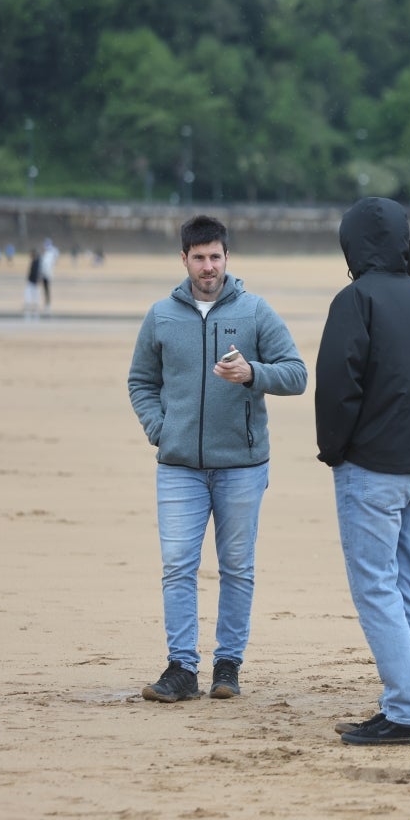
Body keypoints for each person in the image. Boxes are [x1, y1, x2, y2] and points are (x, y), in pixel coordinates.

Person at [128, 215, 307, 703]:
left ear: (227, 257)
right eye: (199, 257)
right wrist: (160, 430)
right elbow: (141, 382)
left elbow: (296, 374)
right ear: (183, 259)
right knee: (177, 566)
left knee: (237, 567)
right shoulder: (161, 315)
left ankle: (227, 667)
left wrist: (253, 373)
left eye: (216, 256)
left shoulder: (254, 312)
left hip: (243, 467)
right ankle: (182, 668)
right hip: (179, 466)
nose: (208, 266)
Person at [316, 197, 410, 746]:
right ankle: (403, 699)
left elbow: (338, 384)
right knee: (402, 581)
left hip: (370, 467)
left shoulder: (355, 300)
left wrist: (335, 449)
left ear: (351, 246)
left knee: (374, 585)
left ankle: (405, 710)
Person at [38, 238, 58, 315]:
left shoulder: (49, 255)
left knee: (46, 290)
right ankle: (45, 304)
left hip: (47, 275)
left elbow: (48, 266)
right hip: (44, 275)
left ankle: (47, 304)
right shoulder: (45, 255)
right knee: (45, 290)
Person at [23, 248, 42, 320]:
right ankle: (29, 305)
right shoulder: (34, 261)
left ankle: (35, 306)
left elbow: (38, 272)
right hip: (31, 281)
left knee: (35, 294)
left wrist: (38, 280)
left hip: (34, 282)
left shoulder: (37, 262)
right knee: (28, 294)